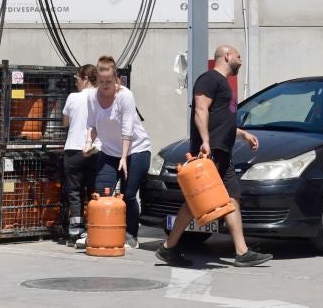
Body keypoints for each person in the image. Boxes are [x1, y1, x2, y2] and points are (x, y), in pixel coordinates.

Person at [156, 45, 273, 268]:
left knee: (231, 198)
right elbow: (201, 110)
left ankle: (242, 252)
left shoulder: (223, 85)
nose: (241, 60)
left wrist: (243, 134)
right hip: (210, 153)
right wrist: (206, 142)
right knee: (196, 202)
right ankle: (168, 248)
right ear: (227, 56)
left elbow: (221, 121)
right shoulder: (209, 79)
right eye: (239, 56)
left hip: (223, 152)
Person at [83, 56, 151, 249]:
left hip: (136, 150)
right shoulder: (91, 97)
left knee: (128, 194)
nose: (105, 85)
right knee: (102, 192)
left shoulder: (125, 96)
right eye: (101, 82)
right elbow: (91, 124)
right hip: (109, 151)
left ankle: (131, 234)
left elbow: (127, 130)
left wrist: (123, 158)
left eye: (109, 81)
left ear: (116, 80)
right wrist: (88, 142)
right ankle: (99, 233)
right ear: (97, 80)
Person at [62, 64, 100, 247]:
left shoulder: (73, 97)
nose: (75, 81)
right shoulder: (101, 97)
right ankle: (95, 230)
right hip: (95, 151)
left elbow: (65, 122)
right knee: (93, 191)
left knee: (75, 193)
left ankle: (75, 233)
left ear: (85, 78)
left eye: (77, 78)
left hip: (73, 150)